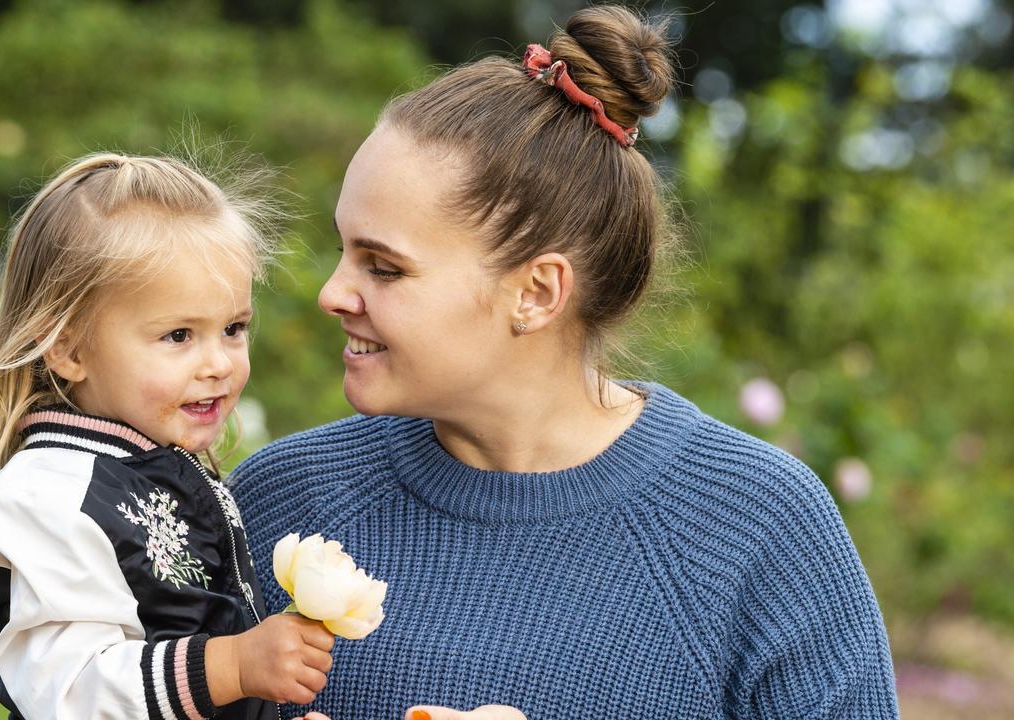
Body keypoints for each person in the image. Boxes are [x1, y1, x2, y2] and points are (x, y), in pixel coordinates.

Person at [232, 5, 900, 720]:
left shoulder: (759, 529)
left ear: (537, 292)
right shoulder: (281, 501)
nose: (333, 293)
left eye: (385, 268)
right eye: (344, 251)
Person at [0, 152, 335, 719]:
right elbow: (69, 691)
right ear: (71, 349)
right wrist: (233, 666)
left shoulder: (160, 465)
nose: (219, 362)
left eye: (233, 328)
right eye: (178, 335)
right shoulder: (52, 497)